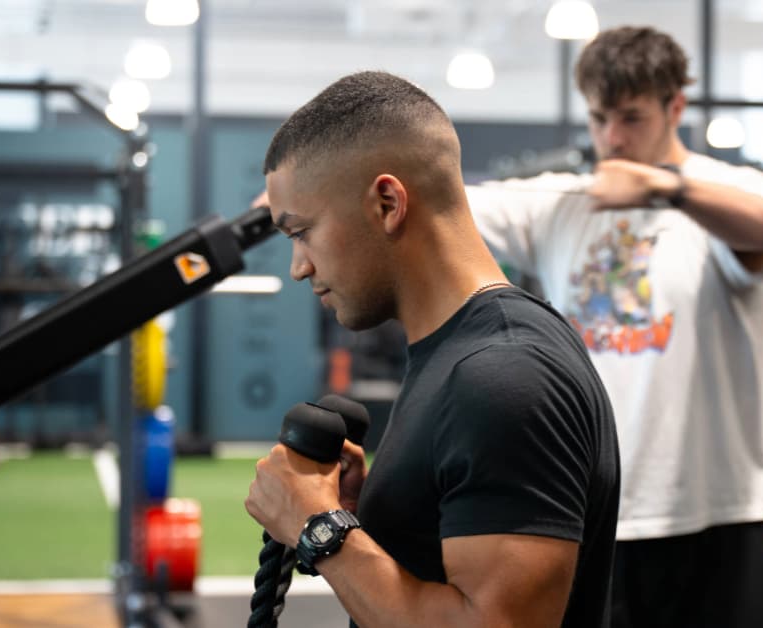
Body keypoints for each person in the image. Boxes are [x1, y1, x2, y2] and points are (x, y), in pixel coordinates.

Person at [244, 71, 619, 627]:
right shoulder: (465, 354)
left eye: (302, 233)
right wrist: (367, 519)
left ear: (388, 202)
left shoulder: (503, 375)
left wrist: (318, 527)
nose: (300, 266)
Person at [466, 26, 763, 627]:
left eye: (631, 118)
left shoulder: (730, 190)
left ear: (675, 107)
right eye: (598, 118)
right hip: (598, 510)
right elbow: (444, 203)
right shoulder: (561, 204)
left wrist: (661, 186)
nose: (611, 138)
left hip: (720, 513)